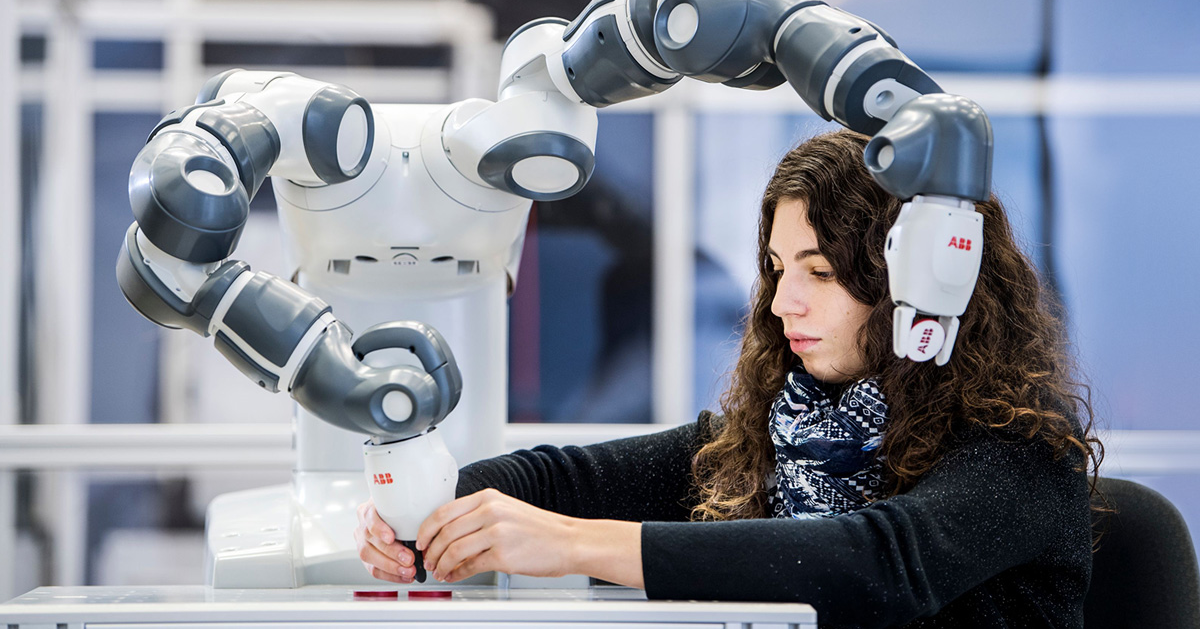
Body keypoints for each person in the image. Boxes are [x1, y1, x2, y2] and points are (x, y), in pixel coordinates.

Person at [355, 129, 1101, 629]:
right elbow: (561, 479)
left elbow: (873, 565)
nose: (783, 304)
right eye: (777, 270)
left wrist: (575, 545)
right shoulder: (775, 438)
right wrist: (424, 515)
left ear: (922, 277)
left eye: (823, 271)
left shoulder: (1025, 453)